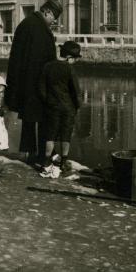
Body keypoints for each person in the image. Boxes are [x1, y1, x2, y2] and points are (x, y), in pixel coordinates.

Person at [5, 0, 63, 164]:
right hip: (39, 84)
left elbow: (16, 58)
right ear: (48, 12)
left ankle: (29, 153)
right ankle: (43, 155)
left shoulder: (26, 24)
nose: (53, 22)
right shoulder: (40, 28)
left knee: (29, 120)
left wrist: (14, 86)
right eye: (53, 18)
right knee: (44, 120)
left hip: (26, 83)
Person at [38, 41, 82, 178]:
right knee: (66, 135)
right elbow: (75, 91)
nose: (75, 61)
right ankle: (63, 163)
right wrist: (77, 105)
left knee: (50, 135)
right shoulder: (69, 69)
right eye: (75, 59)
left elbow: (41, 88)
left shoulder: (48, 66)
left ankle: (46, 164)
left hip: (52, 107)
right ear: (69, 57)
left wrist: (48, 101)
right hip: (68, 108)